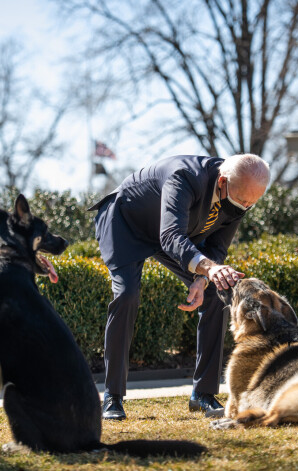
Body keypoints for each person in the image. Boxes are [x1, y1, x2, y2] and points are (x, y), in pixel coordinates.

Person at [89, 153, 270, 420]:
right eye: (242, 200)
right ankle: (112, 397)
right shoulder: (184, 177)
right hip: (125, 223)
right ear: (221, 182)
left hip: (170, 234)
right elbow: (171, 235)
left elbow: (217, 246)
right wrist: (208, 267)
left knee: (216, 293)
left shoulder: (241, 191)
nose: (244, 207)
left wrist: (202, 278)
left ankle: (203, 394)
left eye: (251, 203)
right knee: (127, 294)